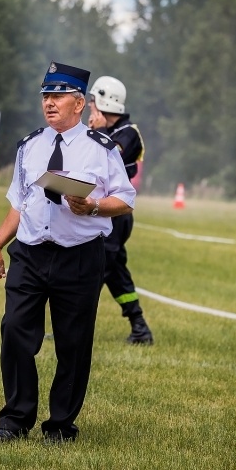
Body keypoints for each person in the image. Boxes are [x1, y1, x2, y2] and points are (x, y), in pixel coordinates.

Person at [0, 61, 137, 444]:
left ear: (79, 103)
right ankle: (15, 421)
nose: (49, 103)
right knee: (15, 330)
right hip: (30, 253)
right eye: (45, 96)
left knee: (73, 343)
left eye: (58, 96)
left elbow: (126, 200)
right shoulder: (29, 146)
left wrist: (94, 206)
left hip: (80, 256)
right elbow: (19, 204)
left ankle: (60, 426)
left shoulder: (101, 149)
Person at [87, 76, 154, 345]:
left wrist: (98, 132)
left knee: (94, 270)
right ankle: (140, 328)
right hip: (101, 211)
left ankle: (72, 327)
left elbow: (108, 158)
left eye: (93, 101)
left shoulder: (129, 133)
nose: (89, 106)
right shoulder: (105, 131)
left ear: (105, 102)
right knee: (115, 272)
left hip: (116, 214)